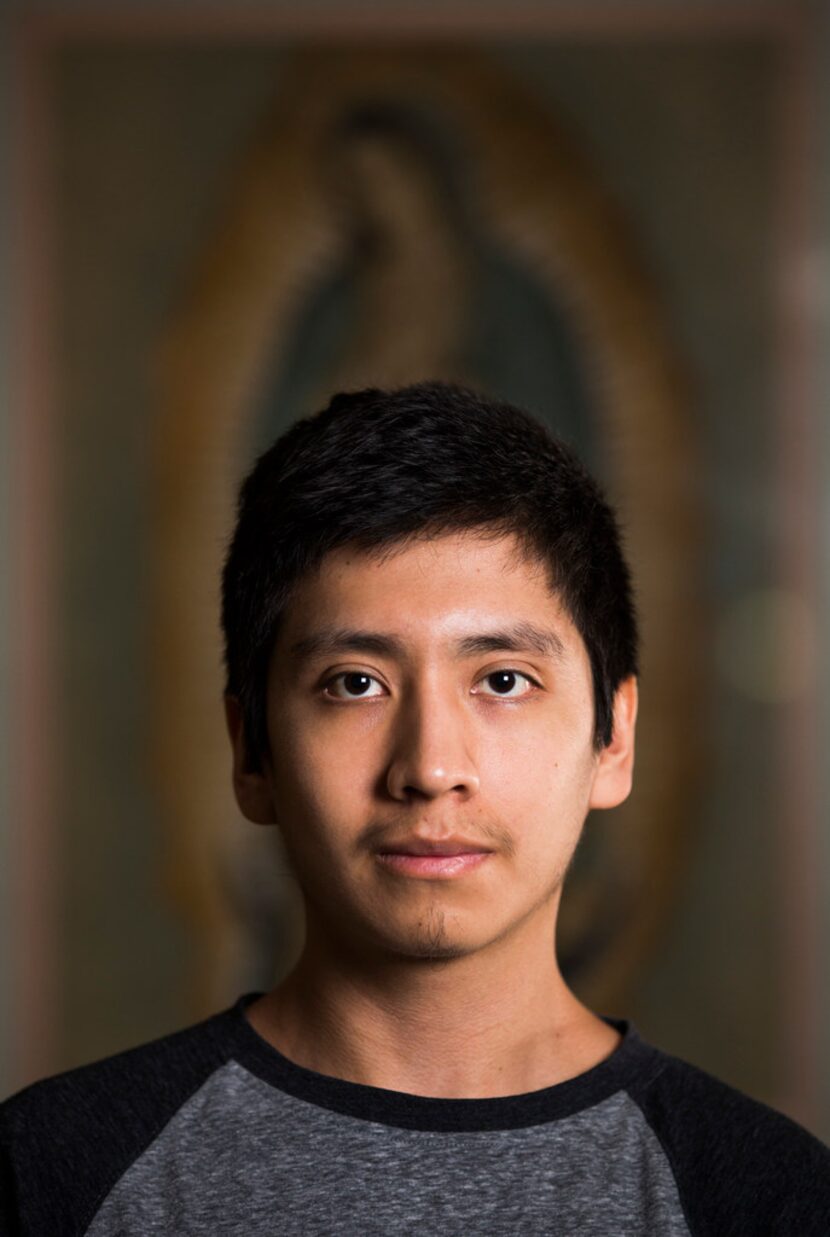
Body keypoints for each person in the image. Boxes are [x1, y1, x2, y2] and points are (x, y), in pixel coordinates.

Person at [1, 381, 828, 1235]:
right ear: (252, 752)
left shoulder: (767, 1196)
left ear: (613, 737)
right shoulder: (53, 1175)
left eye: (503, 681)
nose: (430, 768)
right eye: (355, 683)